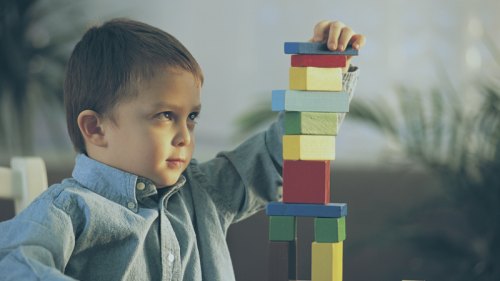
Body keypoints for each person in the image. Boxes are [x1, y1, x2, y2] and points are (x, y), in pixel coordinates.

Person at [0, 18, 365, 280]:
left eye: (191, 117)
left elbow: (285, 154)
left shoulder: (205, 191)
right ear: (96, 128)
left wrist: (326, 77)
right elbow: (15, 264)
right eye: (164, 116)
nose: (184, 136)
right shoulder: (64, 211)